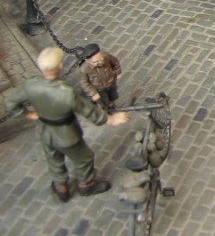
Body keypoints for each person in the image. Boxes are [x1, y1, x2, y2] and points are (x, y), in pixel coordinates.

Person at [4, 47, 129, 202]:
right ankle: (87, 184)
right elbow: (88, 110)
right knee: (84, 158)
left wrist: (29, 114)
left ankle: (61, 187)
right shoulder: (66, 92)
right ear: (60, 67)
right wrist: (111, 119)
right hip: (67, 134)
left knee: (54, 159)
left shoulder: (31, 85)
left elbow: (10, 103)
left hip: (44, 130)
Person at [79, 43, 122, 110]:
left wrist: (117, 72)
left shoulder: (106, 56)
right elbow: (84, 83)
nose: (101, 62)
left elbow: (115, 63)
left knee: (113, 97)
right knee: (103, 102)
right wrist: (93, 93)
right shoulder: (84, 69)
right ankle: (105, 110)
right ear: (87, 61)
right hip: (99, 89)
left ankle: (112, 106)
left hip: (111, 83)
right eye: (96, 61)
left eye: (101, 58)